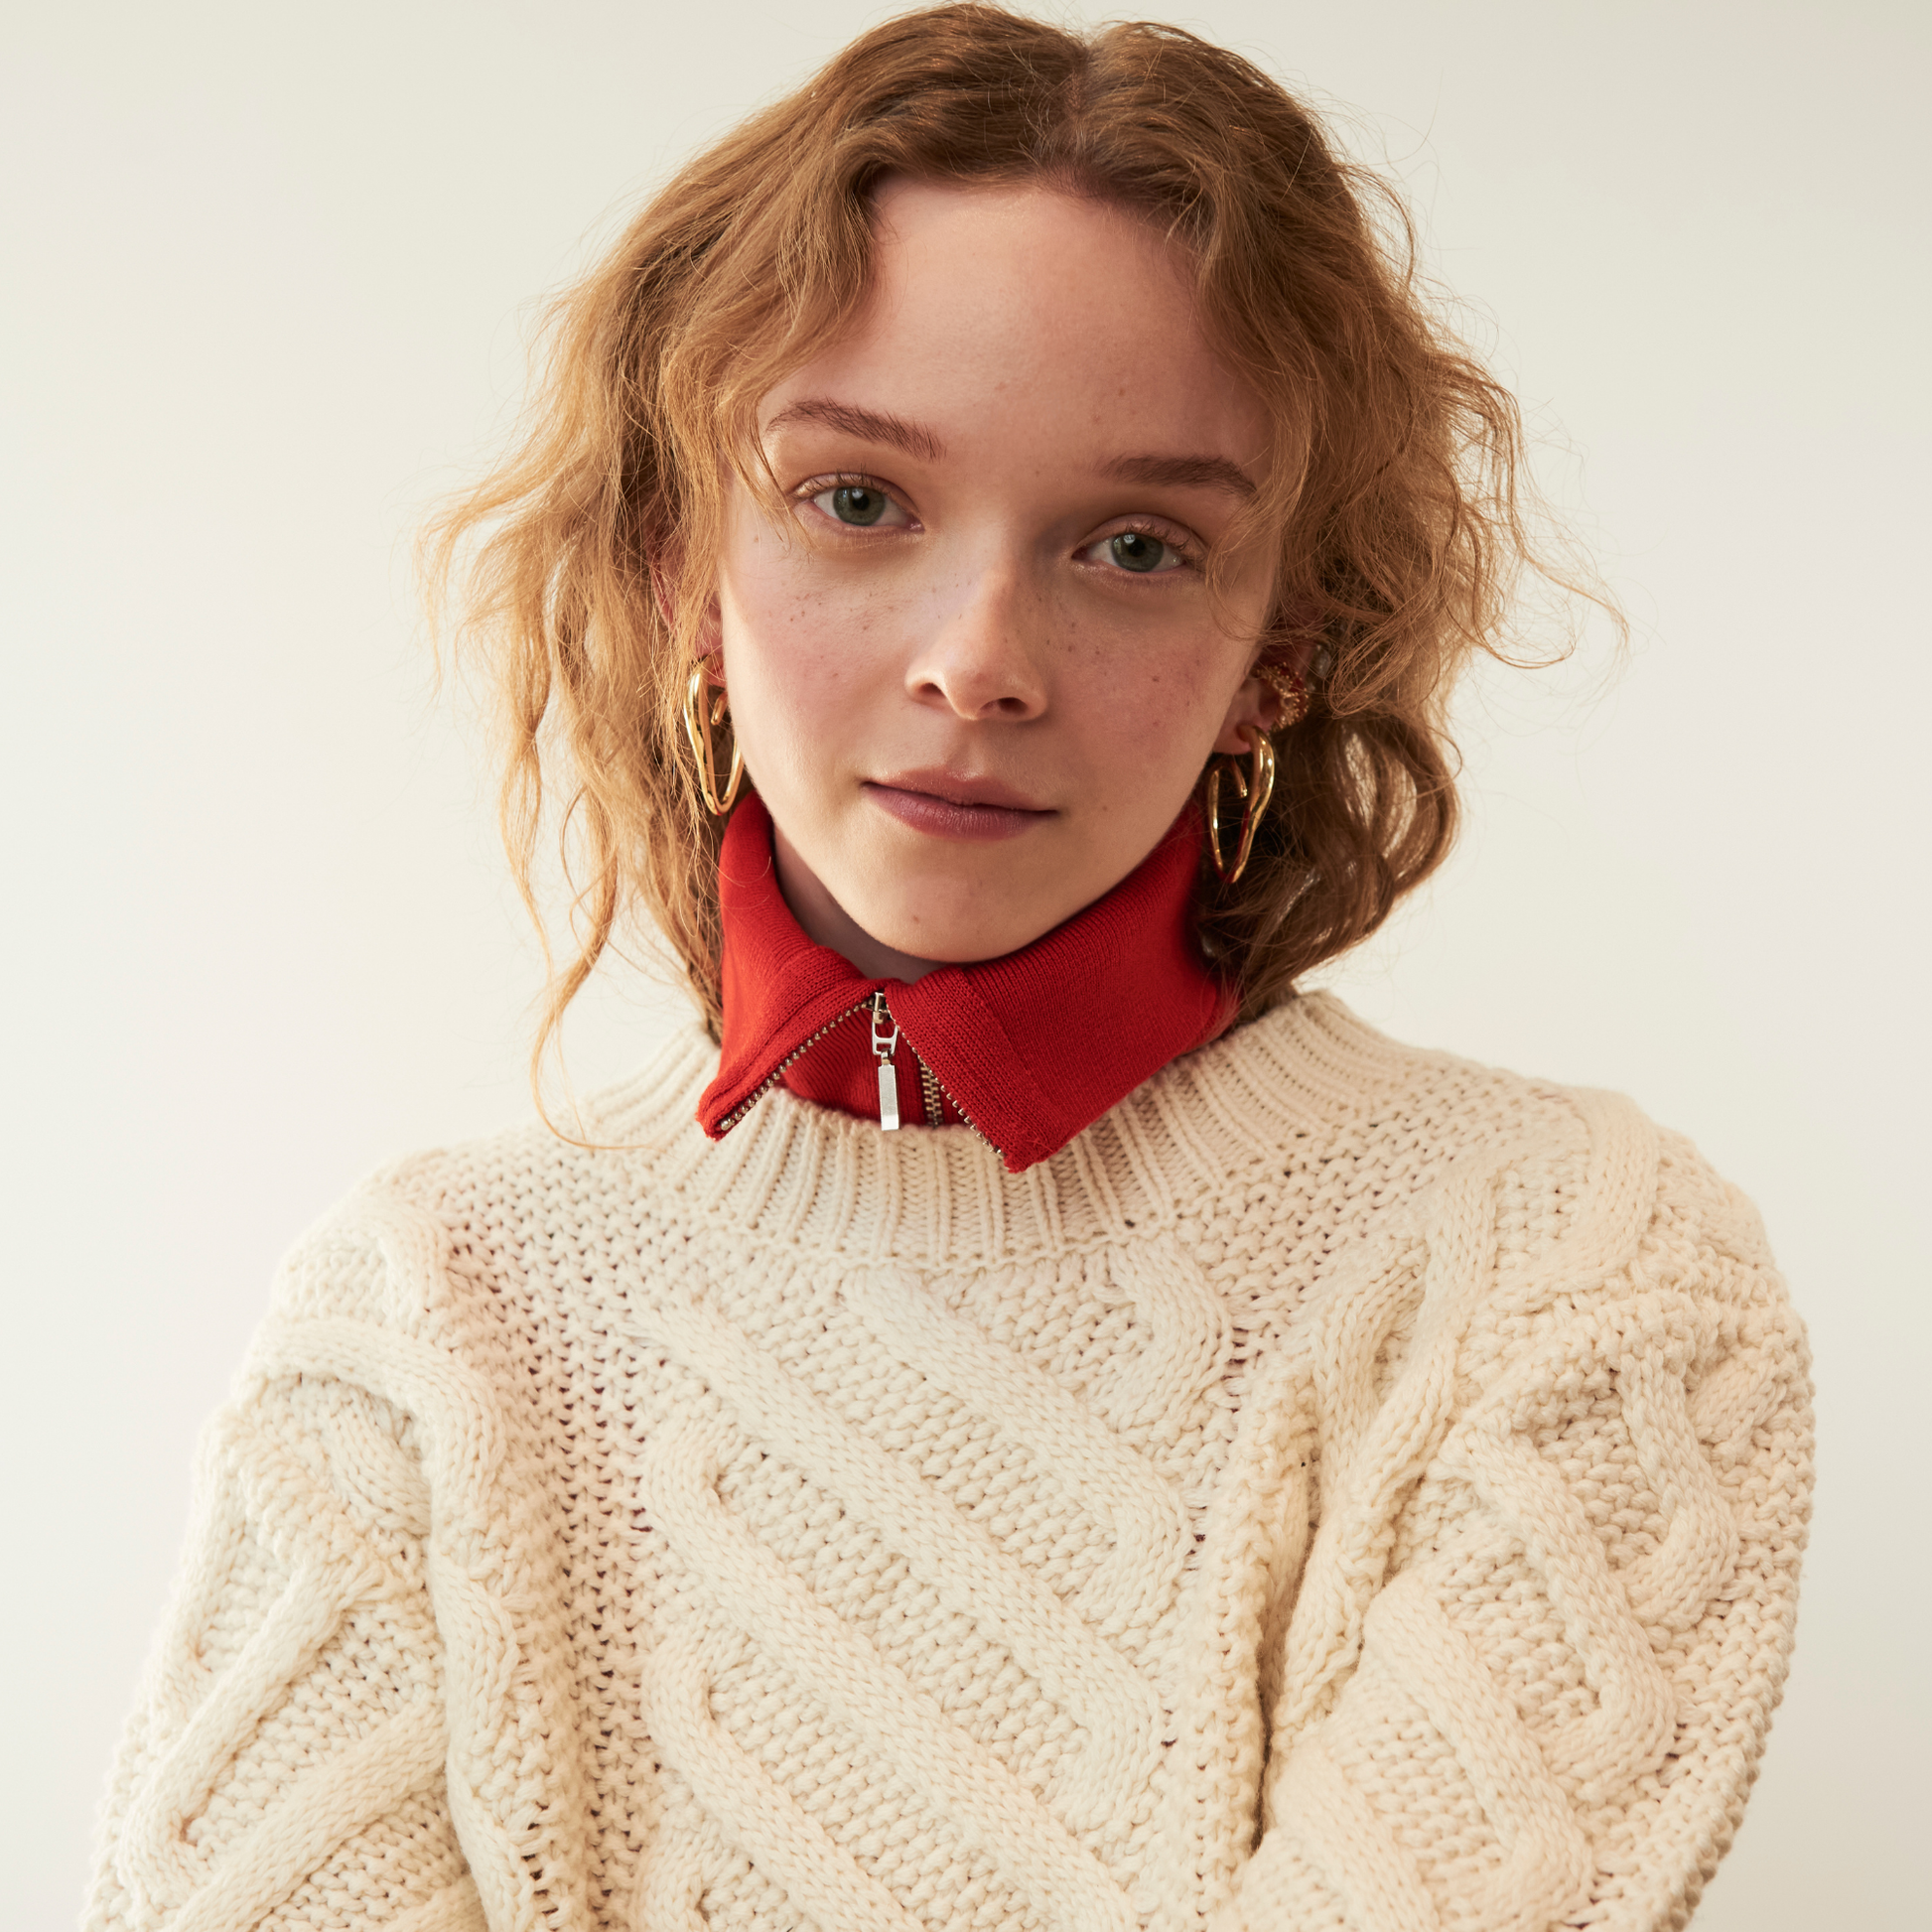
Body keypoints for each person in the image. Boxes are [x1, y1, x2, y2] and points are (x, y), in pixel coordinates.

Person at [82, 8, 1812, 1930]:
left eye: (1136, 544)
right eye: (857, 499)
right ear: (682, 571)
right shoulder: (417, 1336)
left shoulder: (1565, 1274)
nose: (980, 653)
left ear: (1281, 654)